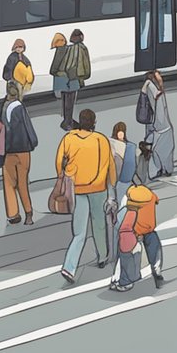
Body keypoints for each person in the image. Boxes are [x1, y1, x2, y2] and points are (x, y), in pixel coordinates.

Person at [56, 109, 117, 283]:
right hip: (98, 188)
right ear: (94, 123)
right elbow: (110, 166)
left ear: (79, 122)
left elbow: (59, 161)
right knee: (99, 224)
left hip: (78, 188)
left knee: (79, 231)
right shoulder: (101, 140)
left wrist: (64, 175)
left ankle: (69, 267)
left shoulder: (69, 138)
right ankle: (102, 256)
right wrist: (112, 189)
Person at [0, 82, 38, 225]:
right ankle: (28, 213)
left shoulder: (4, 107)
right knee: (22, 183)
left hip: (7, 151)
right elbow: (28, 128)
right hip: (22, 150)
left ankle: (13, 214)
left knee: (9, 182)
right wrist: (33, 142)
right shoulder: (20, 108)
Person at [110, 183, 163, 292]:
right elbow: (157, 200)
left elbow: (121, 224)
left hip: (133, 233)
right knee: (155, 248)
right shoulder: (151, 197)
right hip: (148, 229)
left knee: (125, 255)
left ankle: (120, 280)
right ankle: (156, 269)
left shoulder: (129, 206)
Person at [138, 71, 176, 179]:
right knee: (163, 148)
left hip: (156, 125)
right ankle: (163, 169)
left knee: (160, 149)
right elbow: (158, 103)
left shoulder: (149, 86)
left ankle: (159, 169)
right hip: (161, 127)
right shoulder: (152, 87)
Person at [51, 29, 90, 130]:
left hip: (62, 78)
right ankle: (68, 123)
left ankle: (66, 120)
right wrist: (83, 77)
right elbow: (83, 65)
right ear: (81, 37)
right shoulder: (81, 48)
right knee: (70, 101)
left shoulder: (66, 48)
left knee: (65, 100)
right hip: (72, 78)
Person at [109, 122, 137, 207]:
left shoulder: (130, 146)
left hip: (122, 179)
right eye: (119, 131)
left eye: (122, 131)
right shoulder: (130, 146)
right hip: (121, 179)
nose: (120, 133)